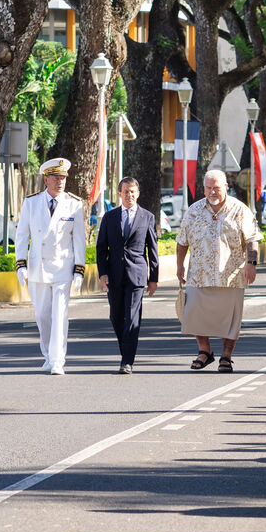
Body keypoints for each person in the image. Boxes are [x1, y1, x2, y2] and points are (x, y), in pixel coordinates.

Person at [176, 168, 261, 373]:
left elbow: (253, 239)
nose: (212, 192)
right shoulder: (194, 210)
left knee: (230, 320)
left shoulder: (240, 210)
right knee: (194, 313)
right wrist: (180, 265)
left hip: (230, 276)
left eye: (216, 188)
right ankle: (204, 351)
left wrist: (251, 263)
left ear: (226, 187)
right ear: (203, 188)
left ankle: (226, 356)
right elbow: (182, 241)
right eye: (208, 188)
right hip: (199, 274)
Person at [15, 158, 86, 375]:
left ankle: (57, 360)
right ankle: (47, 355)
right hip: (39, 268)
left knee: (60, 316)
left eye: (63, 178)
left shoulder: (74, 204)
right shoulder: (31, 203)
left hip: (62, 267)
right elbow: (22, 236)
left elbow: (79, 240)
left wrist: (79, 269)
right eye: (56, 178)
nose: (60, 182)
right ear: (46, 179)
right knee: (42, 316)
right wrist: (20, 265)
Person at [97, 176, 159, 374]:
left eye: (133, 192)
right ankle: (126, 350)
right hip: (114, 274)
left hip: (136, 275)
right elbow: (101, 248)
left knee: (132, 317)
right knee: (116, 317)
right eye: (126, 192)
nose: (129, 195)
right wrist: (102, 273)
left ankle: (127, 361)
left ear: (138, 194)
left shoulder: (147, 217)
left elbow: (152, 249)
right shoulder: (109, 217)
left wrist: (153, 278)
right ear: (119, 194)